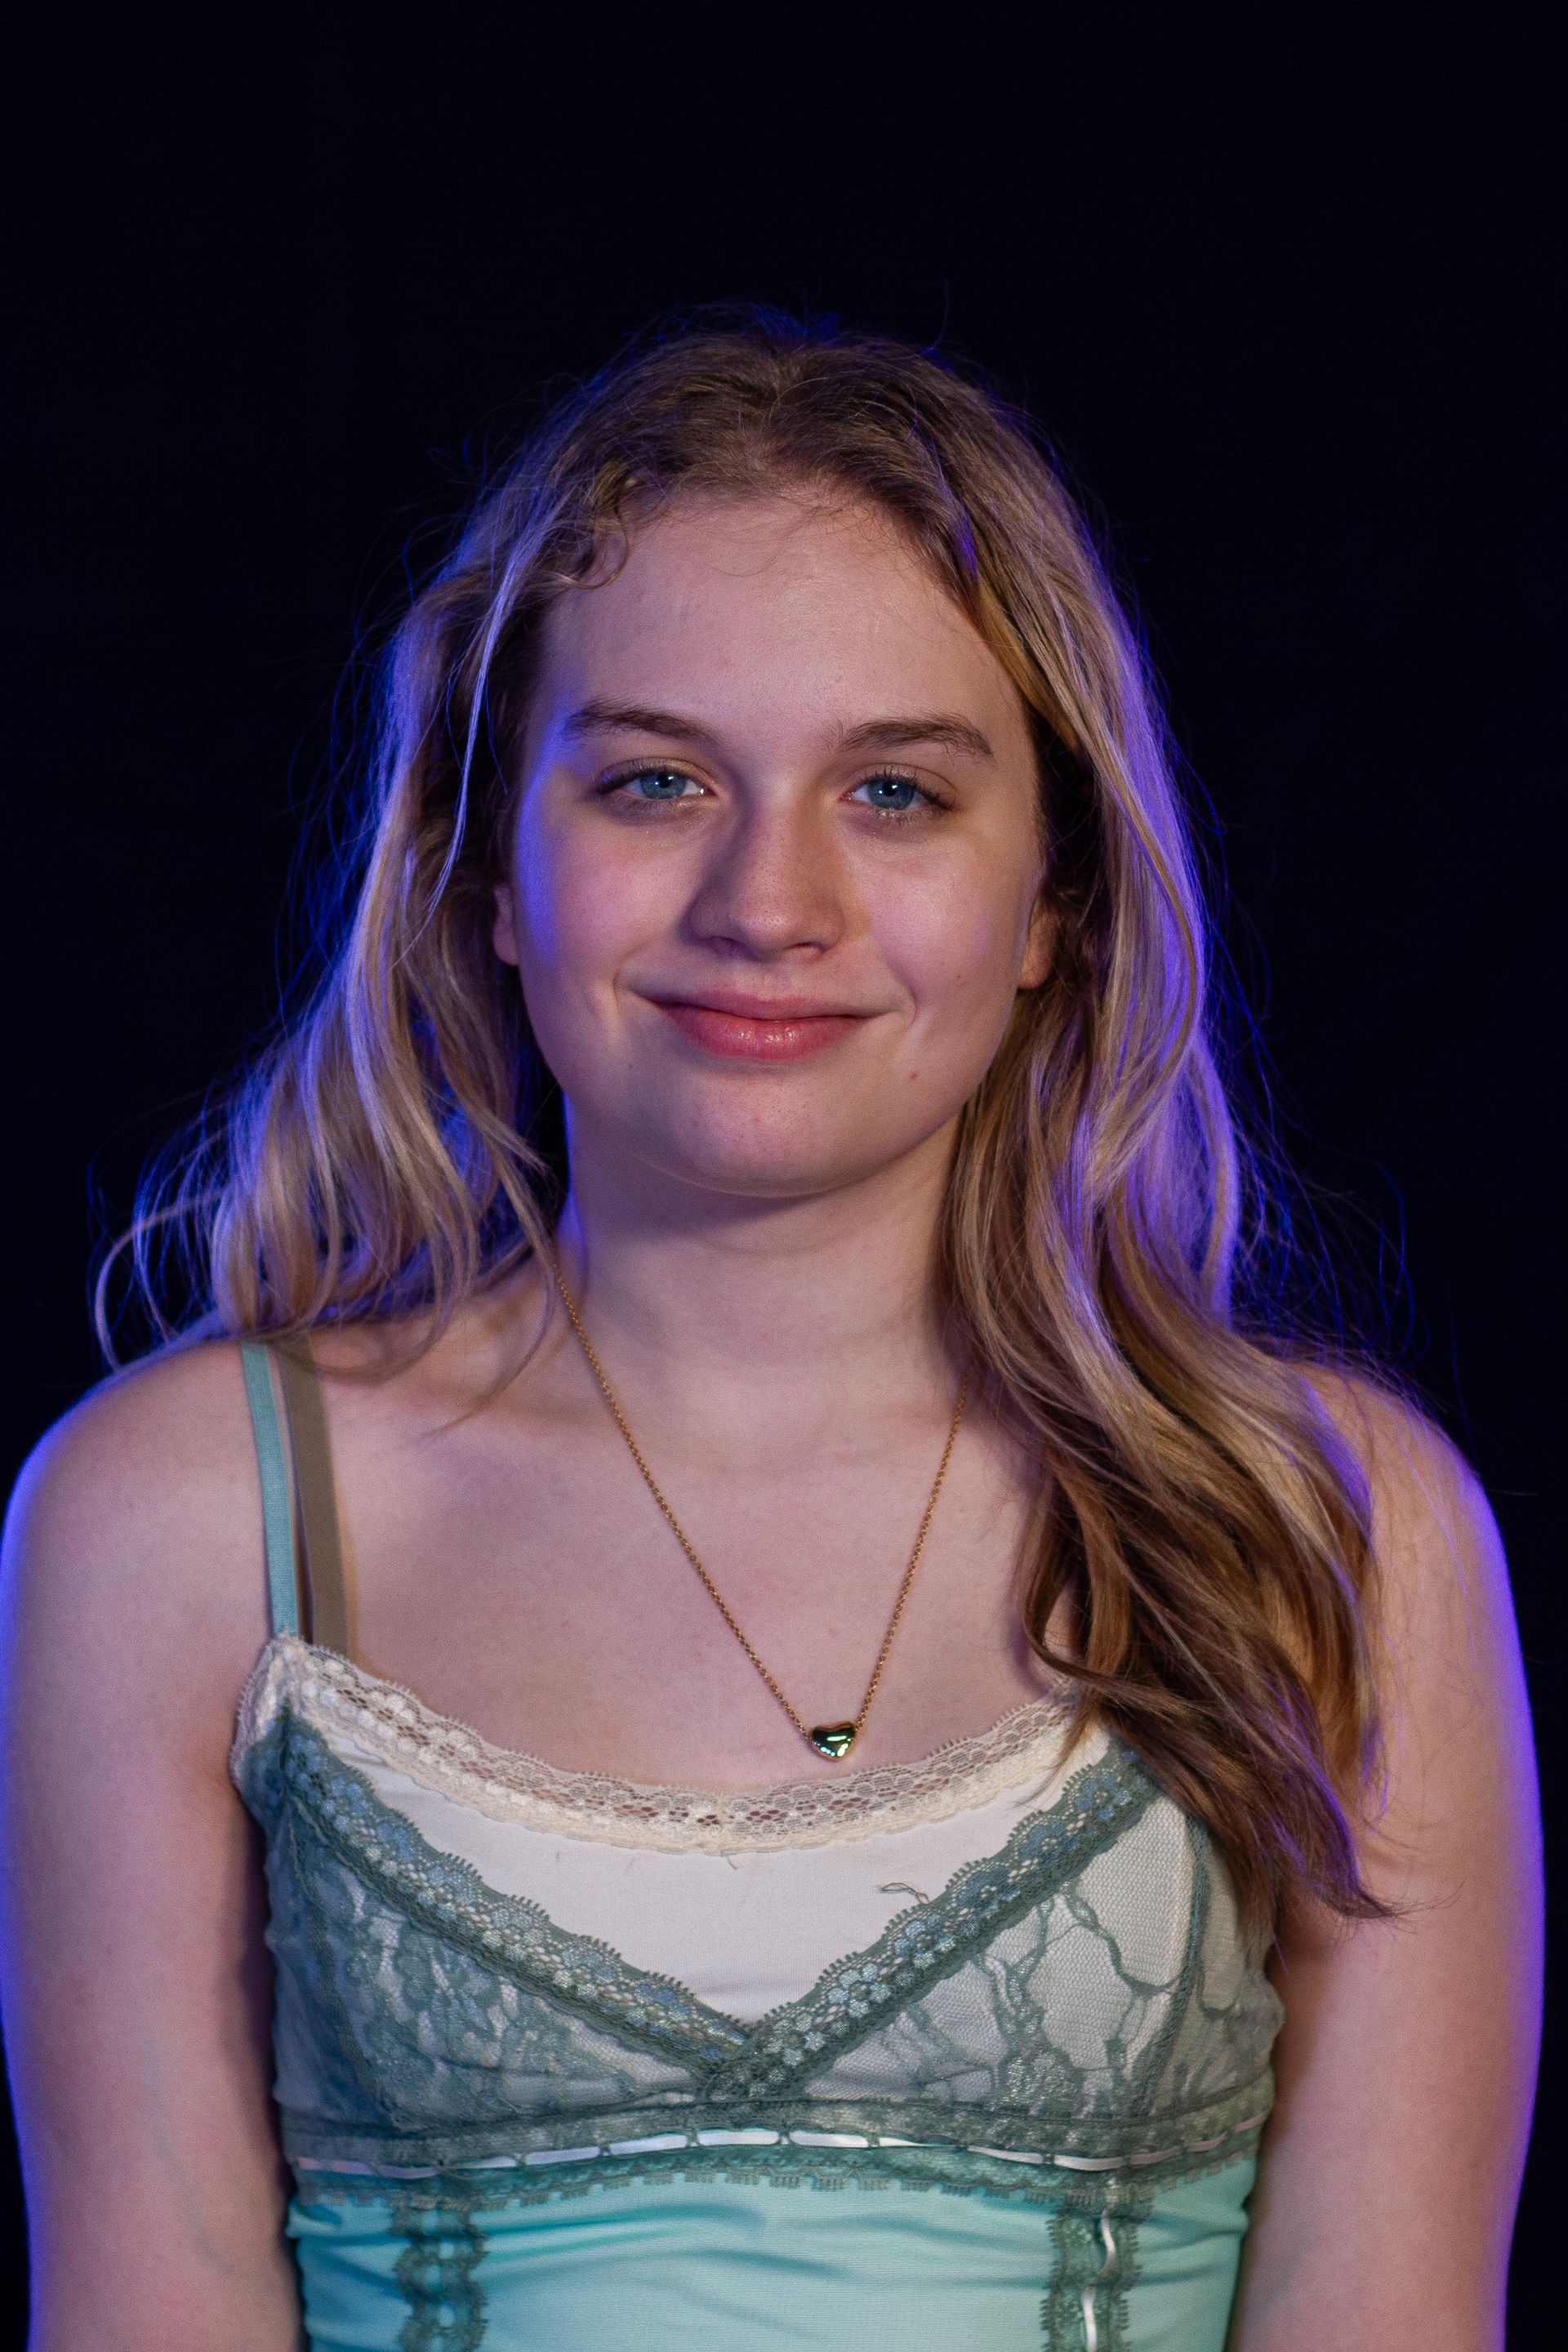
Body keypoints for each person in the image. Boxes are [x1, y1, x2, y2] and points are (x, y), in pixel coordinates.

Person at [0, 313, 1540, 2351]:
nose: (769, 899)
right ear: (484, 871)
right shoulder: (177, 1518)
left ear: (1052, 900)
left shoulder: (1334, 1529)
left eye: (895, 791)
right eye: (655, 781)